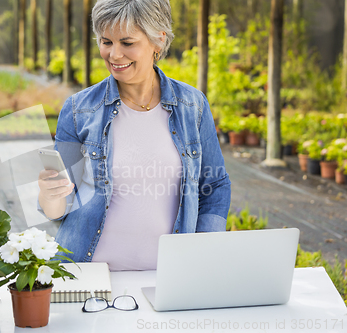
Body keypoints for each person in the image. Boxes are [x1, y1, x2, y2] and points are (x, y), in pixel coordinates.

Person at [38, 0, 231, 271]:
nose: (114, 55)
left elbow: (216, 186)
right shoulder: (78, 109)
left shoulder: (192, 106)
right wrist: (49, 194)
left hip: (169, 278)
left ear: (158, 42)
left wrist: (203, 252)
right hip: (88, 274)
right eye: (106, 42)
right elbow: (59, 209)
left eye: (127, 43)